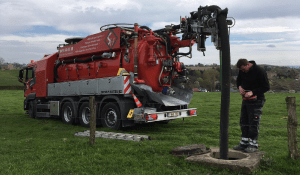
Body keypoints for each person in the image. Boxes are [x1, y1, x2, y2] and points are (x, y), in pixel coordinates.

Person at [233, 59, 270, 153]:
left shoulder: (260, 71)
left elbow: (266, 87)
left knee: (253, 122)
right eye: (241, 70)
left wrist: (252, 92)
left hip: (257, 100)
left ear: (248, 64)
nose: (243, 72)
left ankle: (253, 144)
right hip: (245, 100)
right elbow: (239, 81)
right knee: (243, 120)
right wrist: (240, 88)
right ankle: (244, 142)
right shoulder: (242, 71)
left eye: (244, 69)